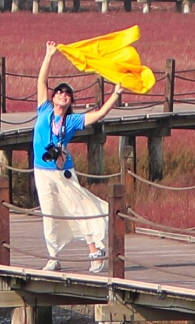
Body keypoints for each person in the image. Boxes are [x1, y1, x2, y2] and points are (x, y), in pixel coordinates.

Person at [32, 43, 125, 273]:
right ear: (53, 97)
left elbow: (100, 114)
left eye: (67, 95)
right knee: (50, 213)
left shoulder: (71, 122)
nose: (63, 95)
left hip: (62, 171)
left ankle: (95, 251)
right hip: (41, 171)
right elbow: (41, 81)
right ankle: (53, 257)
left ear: (70, 102)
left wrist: (116, 94)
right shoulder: (43, 109)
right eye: (60, 92)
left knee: (79, 208)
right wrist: (49, 55)